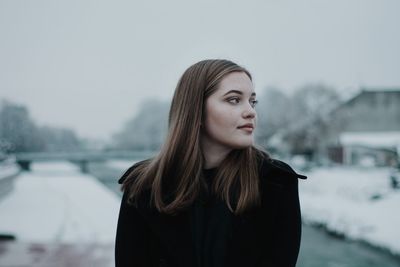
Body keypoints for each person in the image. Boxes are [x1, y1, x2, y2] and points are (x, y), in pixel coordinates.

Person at [115, 59, 307, 267]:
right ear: (195, 111)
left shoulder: (275, 183)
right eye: (234, 100)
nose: (251, 111)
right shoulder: (144, 186)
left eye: (252, 101)